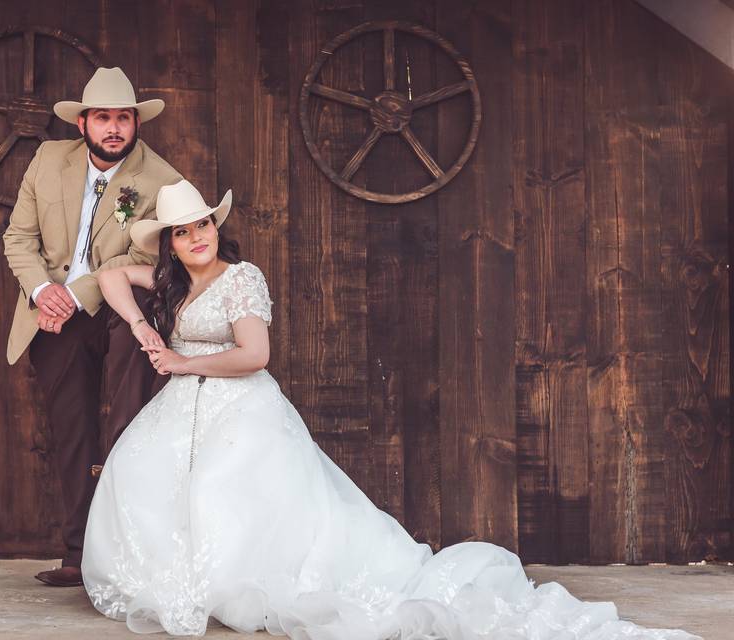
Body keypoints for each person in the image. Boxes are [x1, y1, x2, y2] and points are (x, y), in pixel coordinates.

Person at [80, 180, 703, 638]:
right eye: (183, 231)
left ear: (218, 227)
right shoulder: (172, 283)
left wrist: (185, 363)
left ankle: (238, 582)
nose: (195, 238)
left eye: (203, 226)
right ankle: (188, 576)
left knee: (231, 491)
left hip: (239, 405)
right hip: (183, 410)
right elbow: (109, 275)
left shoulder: (242, 279)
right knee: (147, 478)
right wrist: (145, 333)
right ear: (170, 241)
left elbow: (255, 354)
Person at [2, 66, 182, 587]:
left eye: (123, 118)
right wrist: (42, 293)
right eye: (102, 117)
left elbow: (132, 257)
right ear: (82, 123)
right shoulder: (47, 160)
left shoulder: (159, 180)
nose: (113, 128)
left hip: (122, 311)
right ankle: (79, 556)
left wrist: (68, 298)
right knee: (74, 431)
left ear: (135, 124)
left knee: (127, 426)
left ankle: (124, 555)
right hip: (52, 315)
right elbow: (19, 238)